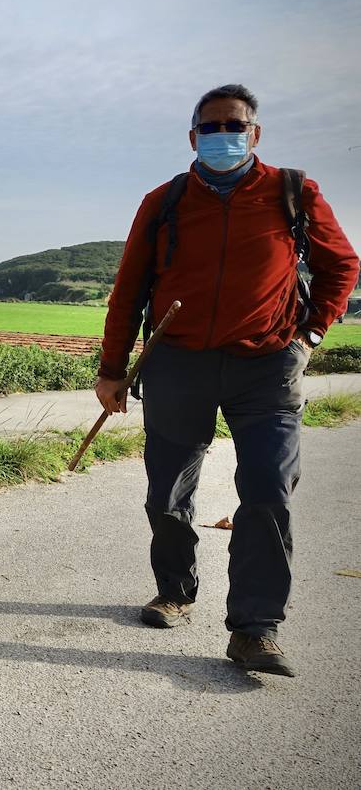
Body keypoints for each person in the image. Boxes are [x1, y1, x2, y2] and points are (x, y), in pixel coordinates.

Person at [97, 84, 358, 677]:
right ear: (192, 137)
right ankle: (176, 592)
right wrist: (112, 369)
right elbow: (128, 290)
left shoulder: (293, 191)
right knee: (167, 492)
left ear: (255, 133)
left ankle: (255, 628)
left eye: (233, 125)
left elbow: (341, 264)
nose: (222, 135)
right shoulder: (163, 201)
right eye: (210, 127)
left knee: (268, 489)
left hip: (267, 367)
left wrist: (309, 336)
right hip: (177, 364)